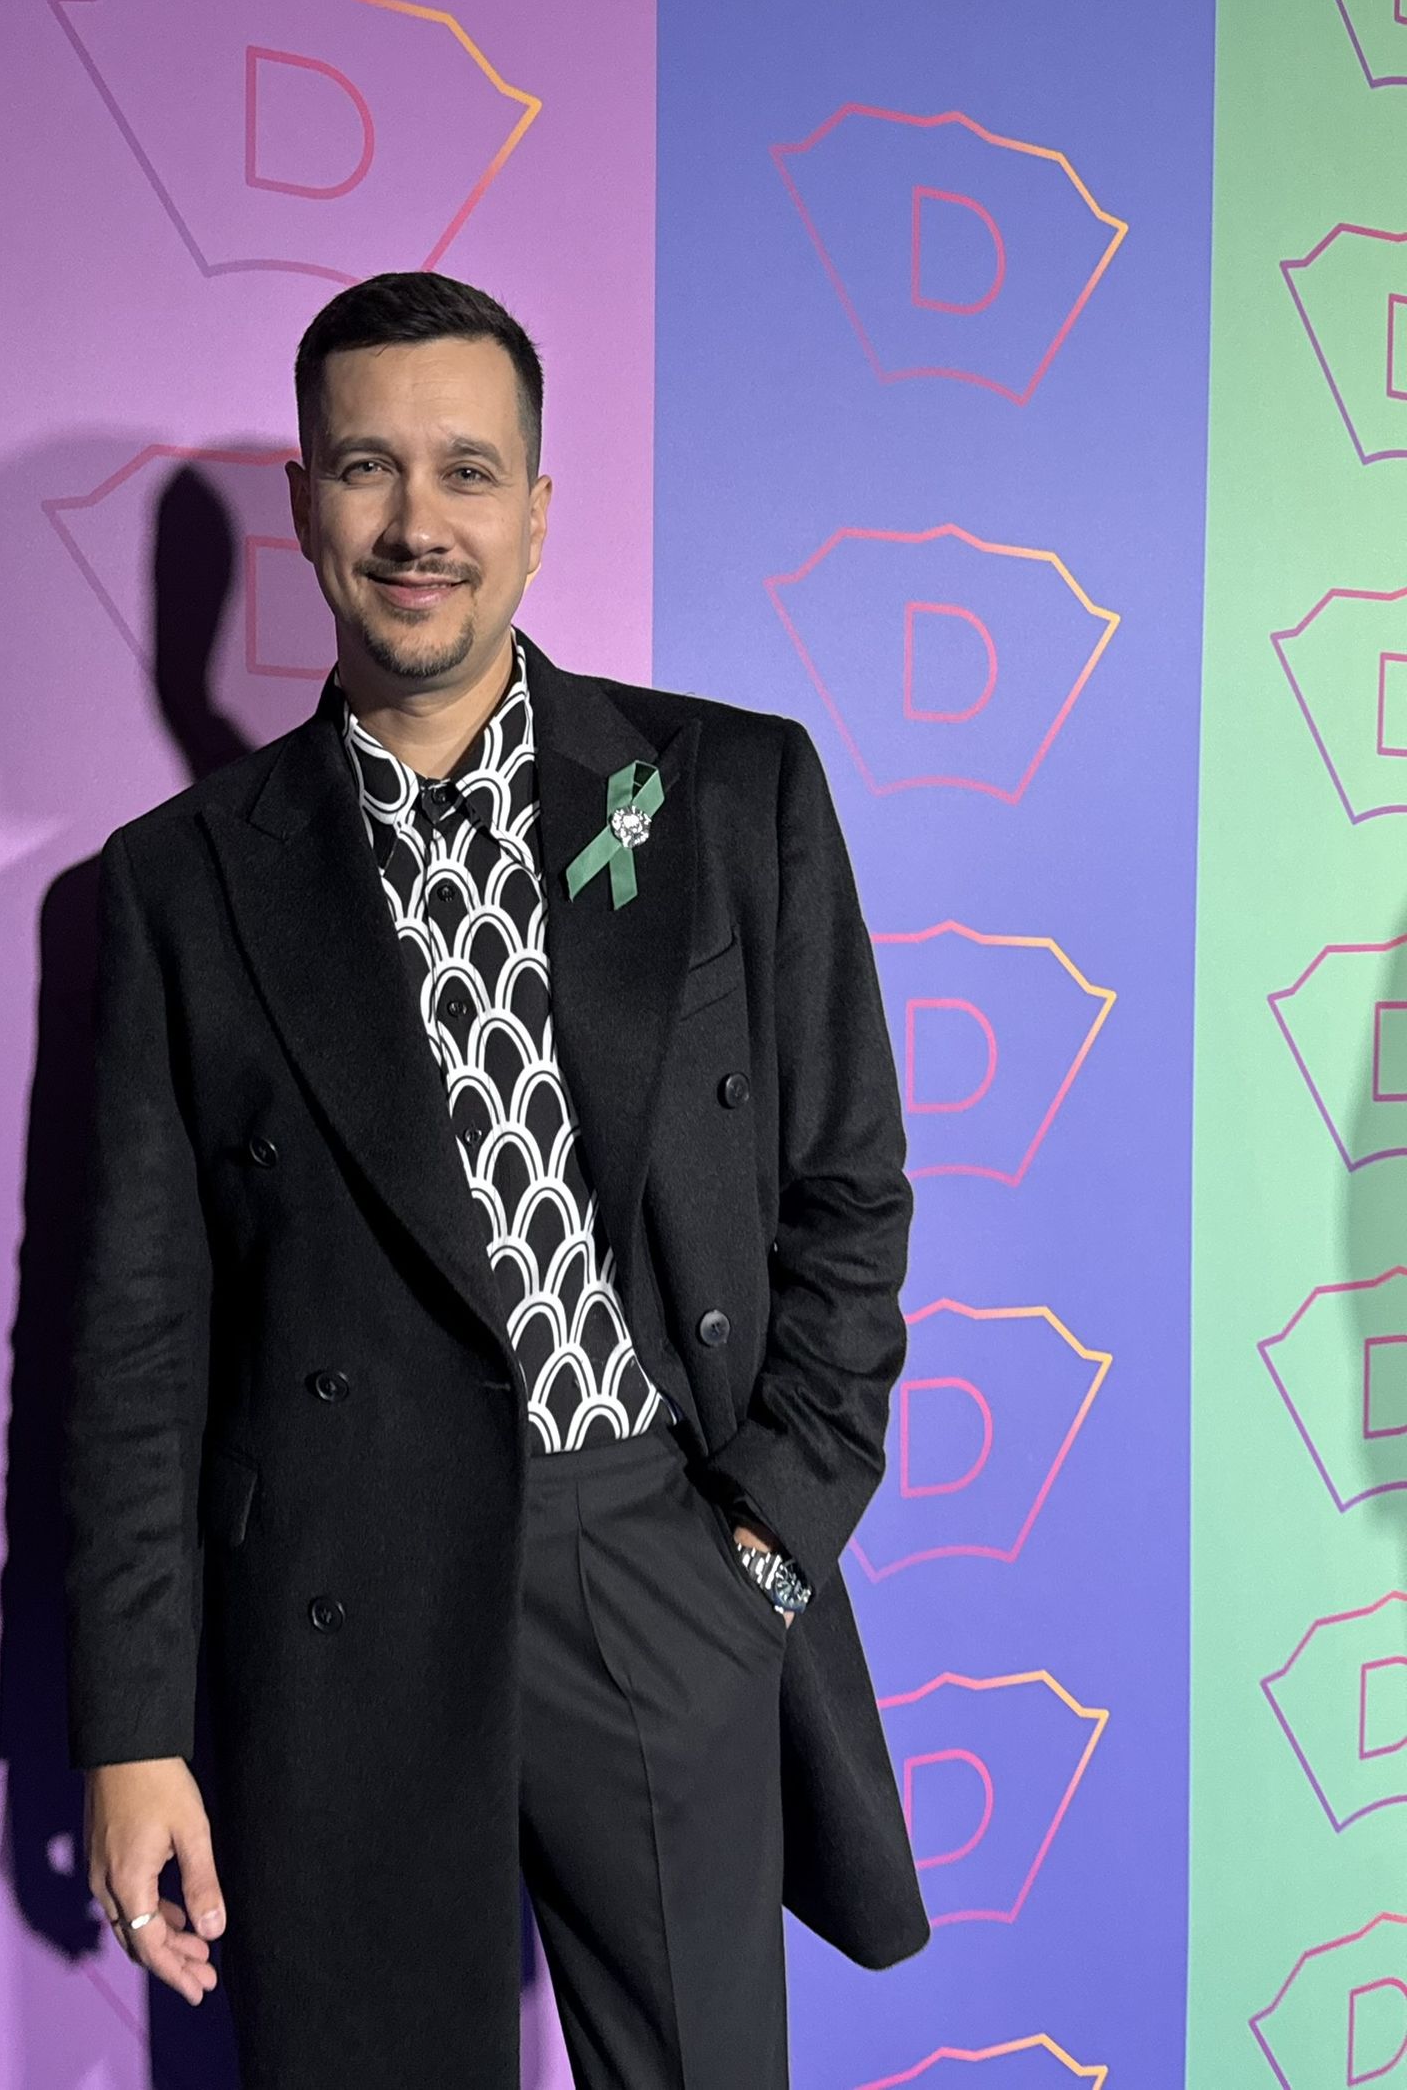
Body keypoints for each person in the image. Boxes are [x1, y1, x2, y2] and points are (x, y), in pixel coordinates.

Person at [64, 271, 927, 2090]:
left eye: (466, 470)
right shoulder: (178, 885)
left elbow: (848, 1193)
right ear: (305, 504)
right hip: (340, 1596)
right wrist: (134, 1729)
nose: (417, 522)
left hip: (656, 1557)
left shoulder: (727, 793)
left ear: (535, 511)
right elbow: (134, 1347)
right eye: (366, 467)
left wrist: (764, 1545)